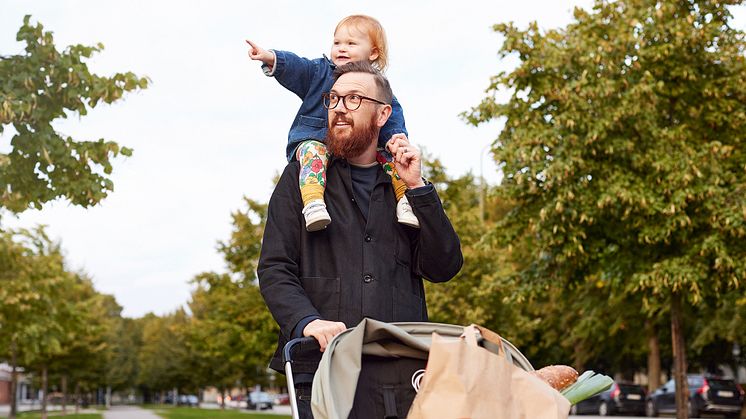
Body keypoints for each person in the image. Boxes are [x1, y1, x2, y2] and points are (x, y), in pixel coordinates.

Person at [258, 61, 463, 419]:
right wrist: (307, 320)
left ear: (383, 113)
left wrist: (418, 189)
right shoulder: (302, 179)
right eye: (334, 98)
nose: (339, 107)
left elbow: (443, 266)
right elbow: (275, 267)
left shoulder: (405, 188)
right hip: (322, 369)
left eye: (354, 99)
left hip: (402, 370)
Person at [246, 14, 420, 232]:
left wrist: (396, 140)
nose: (341, 48)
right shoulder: (319, 72)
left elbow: (392, 116)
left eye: (351, 43)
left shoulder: (378, 88)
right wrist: (272, 58)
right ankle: (313, 203)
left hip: (357, 149)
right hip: (315, 139)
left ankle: (404, 199)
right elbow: (297, 67)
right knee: (313, 152)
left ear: (373, 52)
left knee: (390, 157)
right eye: (337, 42)